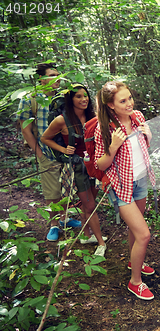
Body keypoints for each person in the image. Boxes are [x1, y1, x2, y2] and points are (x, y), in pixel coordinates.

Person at [94, 81, 156, 300]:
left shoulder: (137, 116)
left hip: (140, 179)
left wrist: (148, 135)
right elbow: (100, 165)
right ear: (111, 105)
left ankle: (134, 262)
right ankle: (135, 281)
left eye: (129, 97)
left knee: (134, 229)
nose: (129, 103)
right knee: (144, 234)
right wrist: (112, 148)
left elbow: (143, 147)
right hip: (121, 186)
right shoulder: (105, 128)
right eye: (123, 101)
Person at [41, 83, 107, 256]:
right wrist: (63, 150)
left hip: (93, 165)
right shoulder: (62, 120)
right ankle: (100, 242)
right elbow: (45, 138)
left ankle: (86, 236)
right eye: (78, 96)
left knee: (90, 202)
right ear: (70, 100)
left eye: (85, 95)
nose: (83, 99)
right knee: (90, 205)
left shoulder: (93, 116)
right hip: (77, 168)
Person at [17, 63, 81, 242]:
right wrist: (38, 152)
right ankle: (54, 224)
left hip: (65, 151)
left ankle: (65, 219)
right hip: (46, 151)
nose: (57, 78)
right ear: (41, 79)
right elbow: (26, 129)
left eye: (58, 74)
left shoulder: (62, 97)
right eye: (52, 75)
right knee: (51, 191)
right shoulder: (31, 99)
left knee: (65, 187)